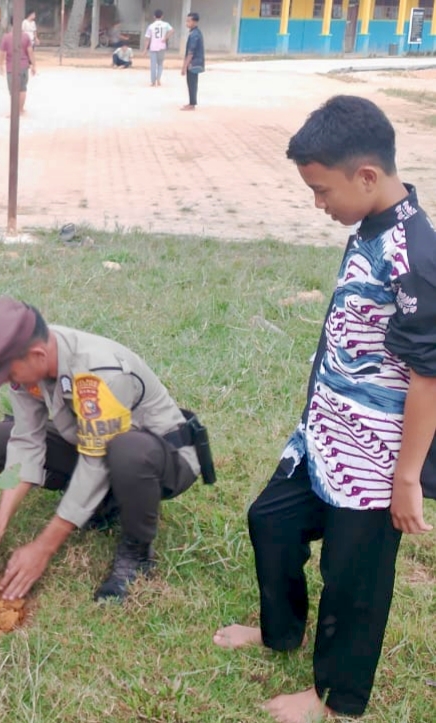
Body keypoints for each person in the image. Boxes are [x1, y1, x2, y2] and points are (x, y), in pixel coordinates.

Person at [213, 96, 436, 723]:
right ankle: (281, 632)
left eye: (320, 190)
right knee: (271, 520)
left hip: (377, 458)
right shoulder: (370, 226)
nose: (318, 204)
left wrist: (408, 478)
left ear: (366, 176)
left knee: (354, 580)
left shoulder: (415, 256)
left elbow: (429, 376)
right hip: (325, 438)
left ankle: (336, 702)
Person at [0, 298, 204, 603]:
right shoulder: (31, 359)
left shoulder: (100, 371)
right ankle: (104, 504)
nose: (9, 382)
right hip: (94, 444)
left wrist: (43, 547)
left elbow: (98, 457)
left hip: (163, 458)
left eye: (9, 374)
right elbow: (26, 440)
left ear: (37, 355)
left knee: (127, 450)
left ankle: (137, 553)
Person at [0, 16, 36, 114]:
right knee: (22, 88)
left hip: (11, 67)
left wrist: (0, 65)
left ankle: (14, 111)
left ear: (11, 23)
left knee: (13, 91)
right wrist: (34, 65)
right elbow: (30, 52)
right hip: (24, 65)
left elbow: (2, 53)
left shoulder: (6, 37)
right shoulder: (25, 36)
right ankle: (20, 109)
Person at [181, 12, 204, 110]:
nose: (187, 23)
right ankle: (192, 102)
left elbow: (191, 52)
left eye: (188, 21)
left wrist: (184, 66)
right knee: (192, 83)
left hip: (193, 63)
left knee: (192, 83)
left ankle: (192, 104)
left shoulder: (194, 34)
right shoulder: (195, 33)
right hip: (195, 62)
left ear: (194, 22)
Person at [143, 9, 172, 87]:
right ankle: (158, 79)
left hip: (153, 47)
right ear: (162, 16)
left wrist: (145, 49)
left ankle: (153, 81)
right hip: (162, 46)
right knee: (160, 64)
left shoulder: (151, 26)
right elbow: (172, 30)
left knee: (153, 65)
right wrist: (165, 37)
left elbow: (147, 39)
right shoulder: (166, 24)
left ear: (154, 17)